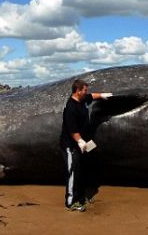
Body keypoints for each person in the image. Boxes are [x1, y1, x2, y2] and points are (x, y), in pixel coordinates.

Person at [60, 79, 112, 212]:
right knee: (72, 171)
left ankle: (83, 196)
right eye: (84, 90)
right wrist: (80, 141)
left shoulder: (83, 99)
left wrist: (102, 95)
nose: (86, 92)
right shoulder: (70, 108)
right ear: (78, 91)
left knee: (87, 166)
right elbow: (72, 130)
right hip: (72, 144)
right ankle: (70, 202)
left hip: (86, 141)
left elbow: (92, 96)